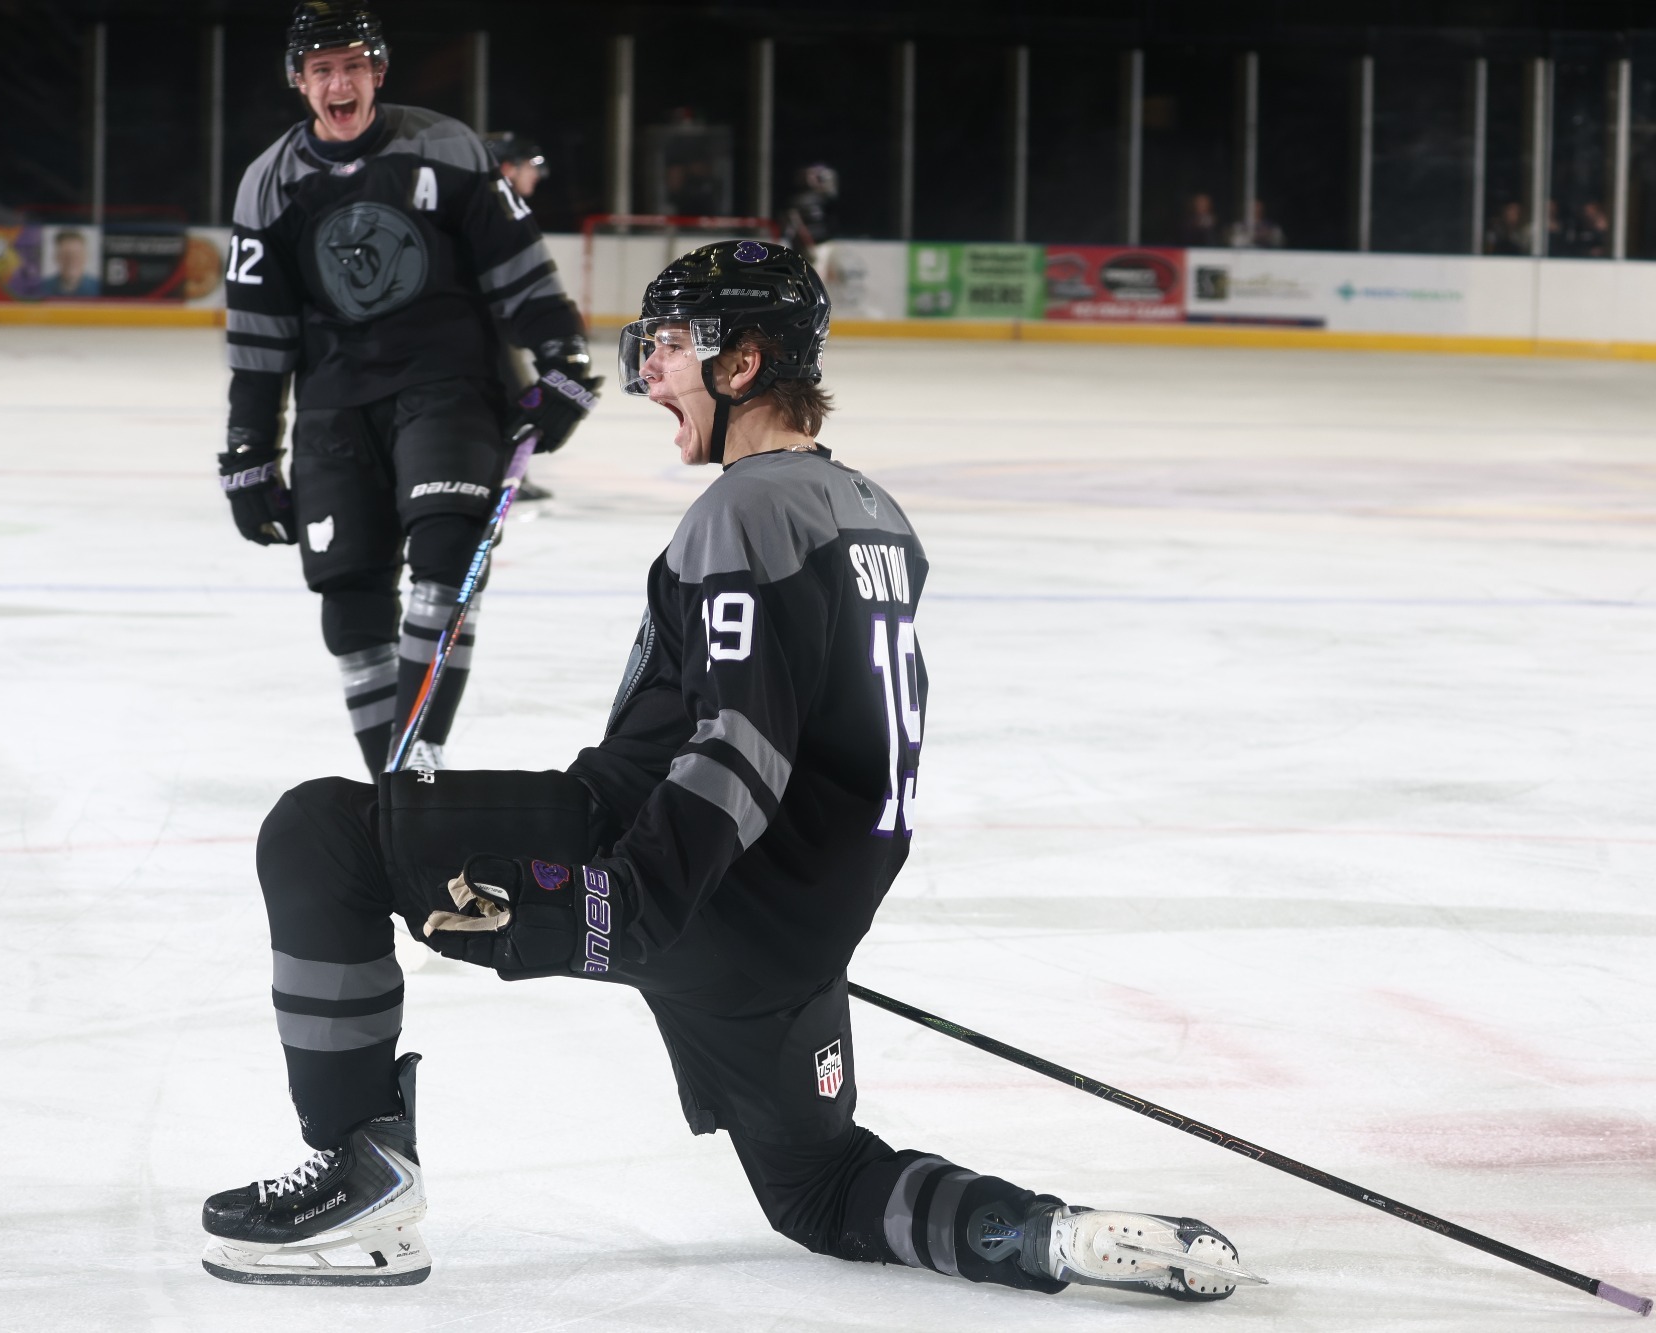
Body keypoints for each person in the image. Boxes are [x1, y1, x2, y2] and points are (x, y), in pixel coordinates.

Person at [197, 239, 1261, 1306]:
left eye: (665, 347)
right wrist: (788, 936)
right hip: (783, 931)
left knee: (319, 834)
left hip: (662, 860)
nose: (649, 372)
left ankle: (360, 1178)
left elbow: (738, 743)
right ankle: (1044, 1236)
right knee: (820, 1187)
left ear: (740, 362)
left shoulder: (747, 506)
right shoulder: (875, 516)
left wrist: (622, 902)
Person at [218, 2, 600, 779]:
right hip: (334, 408)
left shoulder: (446, 147)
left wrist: (559, 355)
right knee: (349, 592)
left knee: (447, 554)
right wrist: (250, 449)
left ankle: (413, 765)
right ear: (299, 82)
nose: (339, 82)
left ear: (378, 73)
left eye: (353, 65)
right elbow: (259, 337)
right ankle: (399, 790)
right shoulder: (268, 185)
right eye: (321, 69)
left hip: (447, 388)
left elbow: (517, 266)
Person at [482, 130, 558, 503]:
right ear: (507, 168)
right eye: (530, 166)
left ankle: (508, 473)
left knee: (516, 394)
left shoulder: (501, 206)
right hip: (483, 326)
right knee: (516, 396)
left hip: (491, 325)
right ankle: (505, 476)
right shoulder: (495, 208)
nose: (536, 176)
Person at [48, 229, 100, 297]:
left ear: (86, 257)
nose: (71, 260)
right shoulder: (42, 287)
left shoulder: (98, 287)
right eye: (66, 254)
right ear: (56, 257)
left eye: (77, 254)